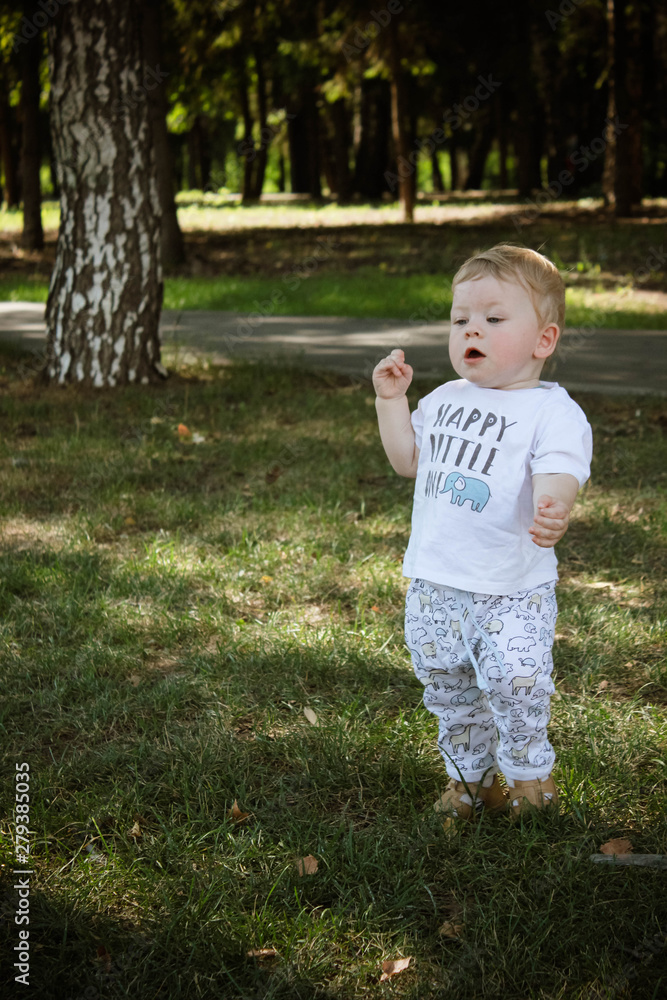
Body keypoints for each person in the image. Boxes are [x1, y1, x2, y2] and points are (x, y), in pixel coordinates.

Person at [372, 244, 593, 821]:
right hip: (434, 581)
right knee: (447, 682)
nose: (473, 329)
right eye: (461, 319)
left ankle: (528, 778)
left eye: (494, 319)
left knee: (516, 685)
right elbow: (408, 461)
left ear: (543, 340)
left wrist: (554, 504)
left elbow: (561, 469)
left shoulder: (552, 410)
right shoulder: (446, 398)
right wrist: (391, 402)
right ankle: (471, 780)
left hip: (509, 588)